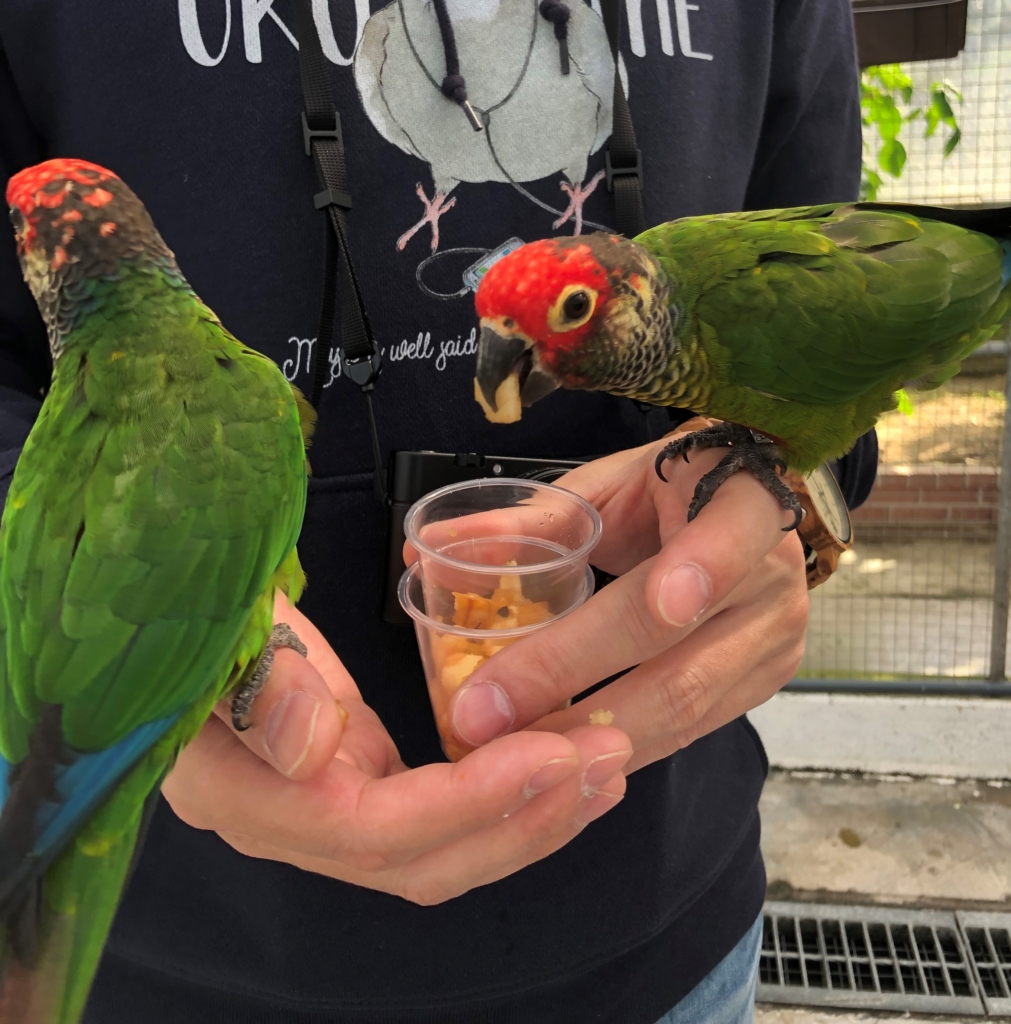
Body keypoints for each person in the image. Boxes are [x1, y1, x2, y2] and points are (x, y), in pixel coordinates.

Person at [0, 1, 875, 1021]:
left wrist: (787, 498)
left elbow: (834, 332)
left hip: (669, 933)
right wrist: (126, 619)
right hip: (169, 955)